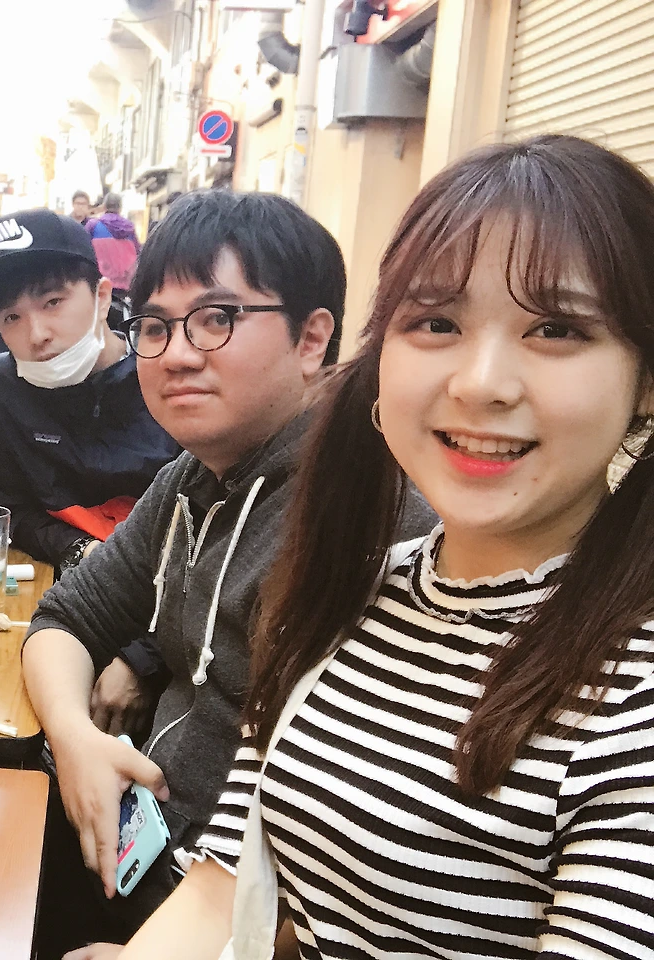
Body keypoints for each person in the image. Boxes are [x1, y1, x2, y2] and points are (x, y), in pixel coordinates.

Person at [122, 136, 654, 960]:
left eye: (556, 328)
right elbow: (221, 892)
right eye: (436, 322)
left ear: (644, 379)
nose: (480, 382)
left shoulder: (632, 696)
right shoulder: (343, 594)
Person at [21, 190, 434, 957]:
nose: (177, 354)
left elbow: (366, 855)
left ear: (313, 339)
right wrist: (74, 738)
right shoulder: (190, 479)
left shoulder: (367, 515)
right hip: (132, 858)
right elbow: (65, 618)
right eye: (155, 327)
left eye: (216, 319)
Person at [0, 209, 180, 569]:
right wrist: (81, 551)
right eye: (11, 317)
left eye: (53, 303)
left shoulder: (167, 374)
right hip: (58, 581)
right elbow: (9, 510)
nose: (37, 335)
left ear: (102, 297)